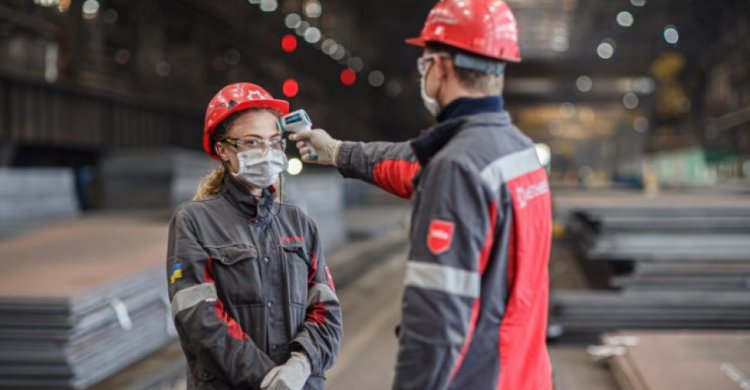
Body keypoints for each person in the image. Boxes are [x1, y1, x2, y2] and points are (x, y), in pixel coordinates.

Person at [290, 1, 552, 389]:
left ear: (440, 65)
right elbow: (411, 161)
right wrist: (338, 152)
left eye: (425, 61)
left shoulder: (457, 167)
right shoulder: (517, 151)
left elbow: (435, 323)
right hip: (527, 375)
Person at [166, 82, 342, 390]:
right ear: (223, 150)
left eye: (274, 142)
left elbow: (327, 311)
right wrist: (267, 379)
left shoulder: (300, 224)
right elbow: (199, 318)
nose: (267, 152)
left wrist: (301, 365)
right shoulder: (194, 220)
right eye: (252, 142)